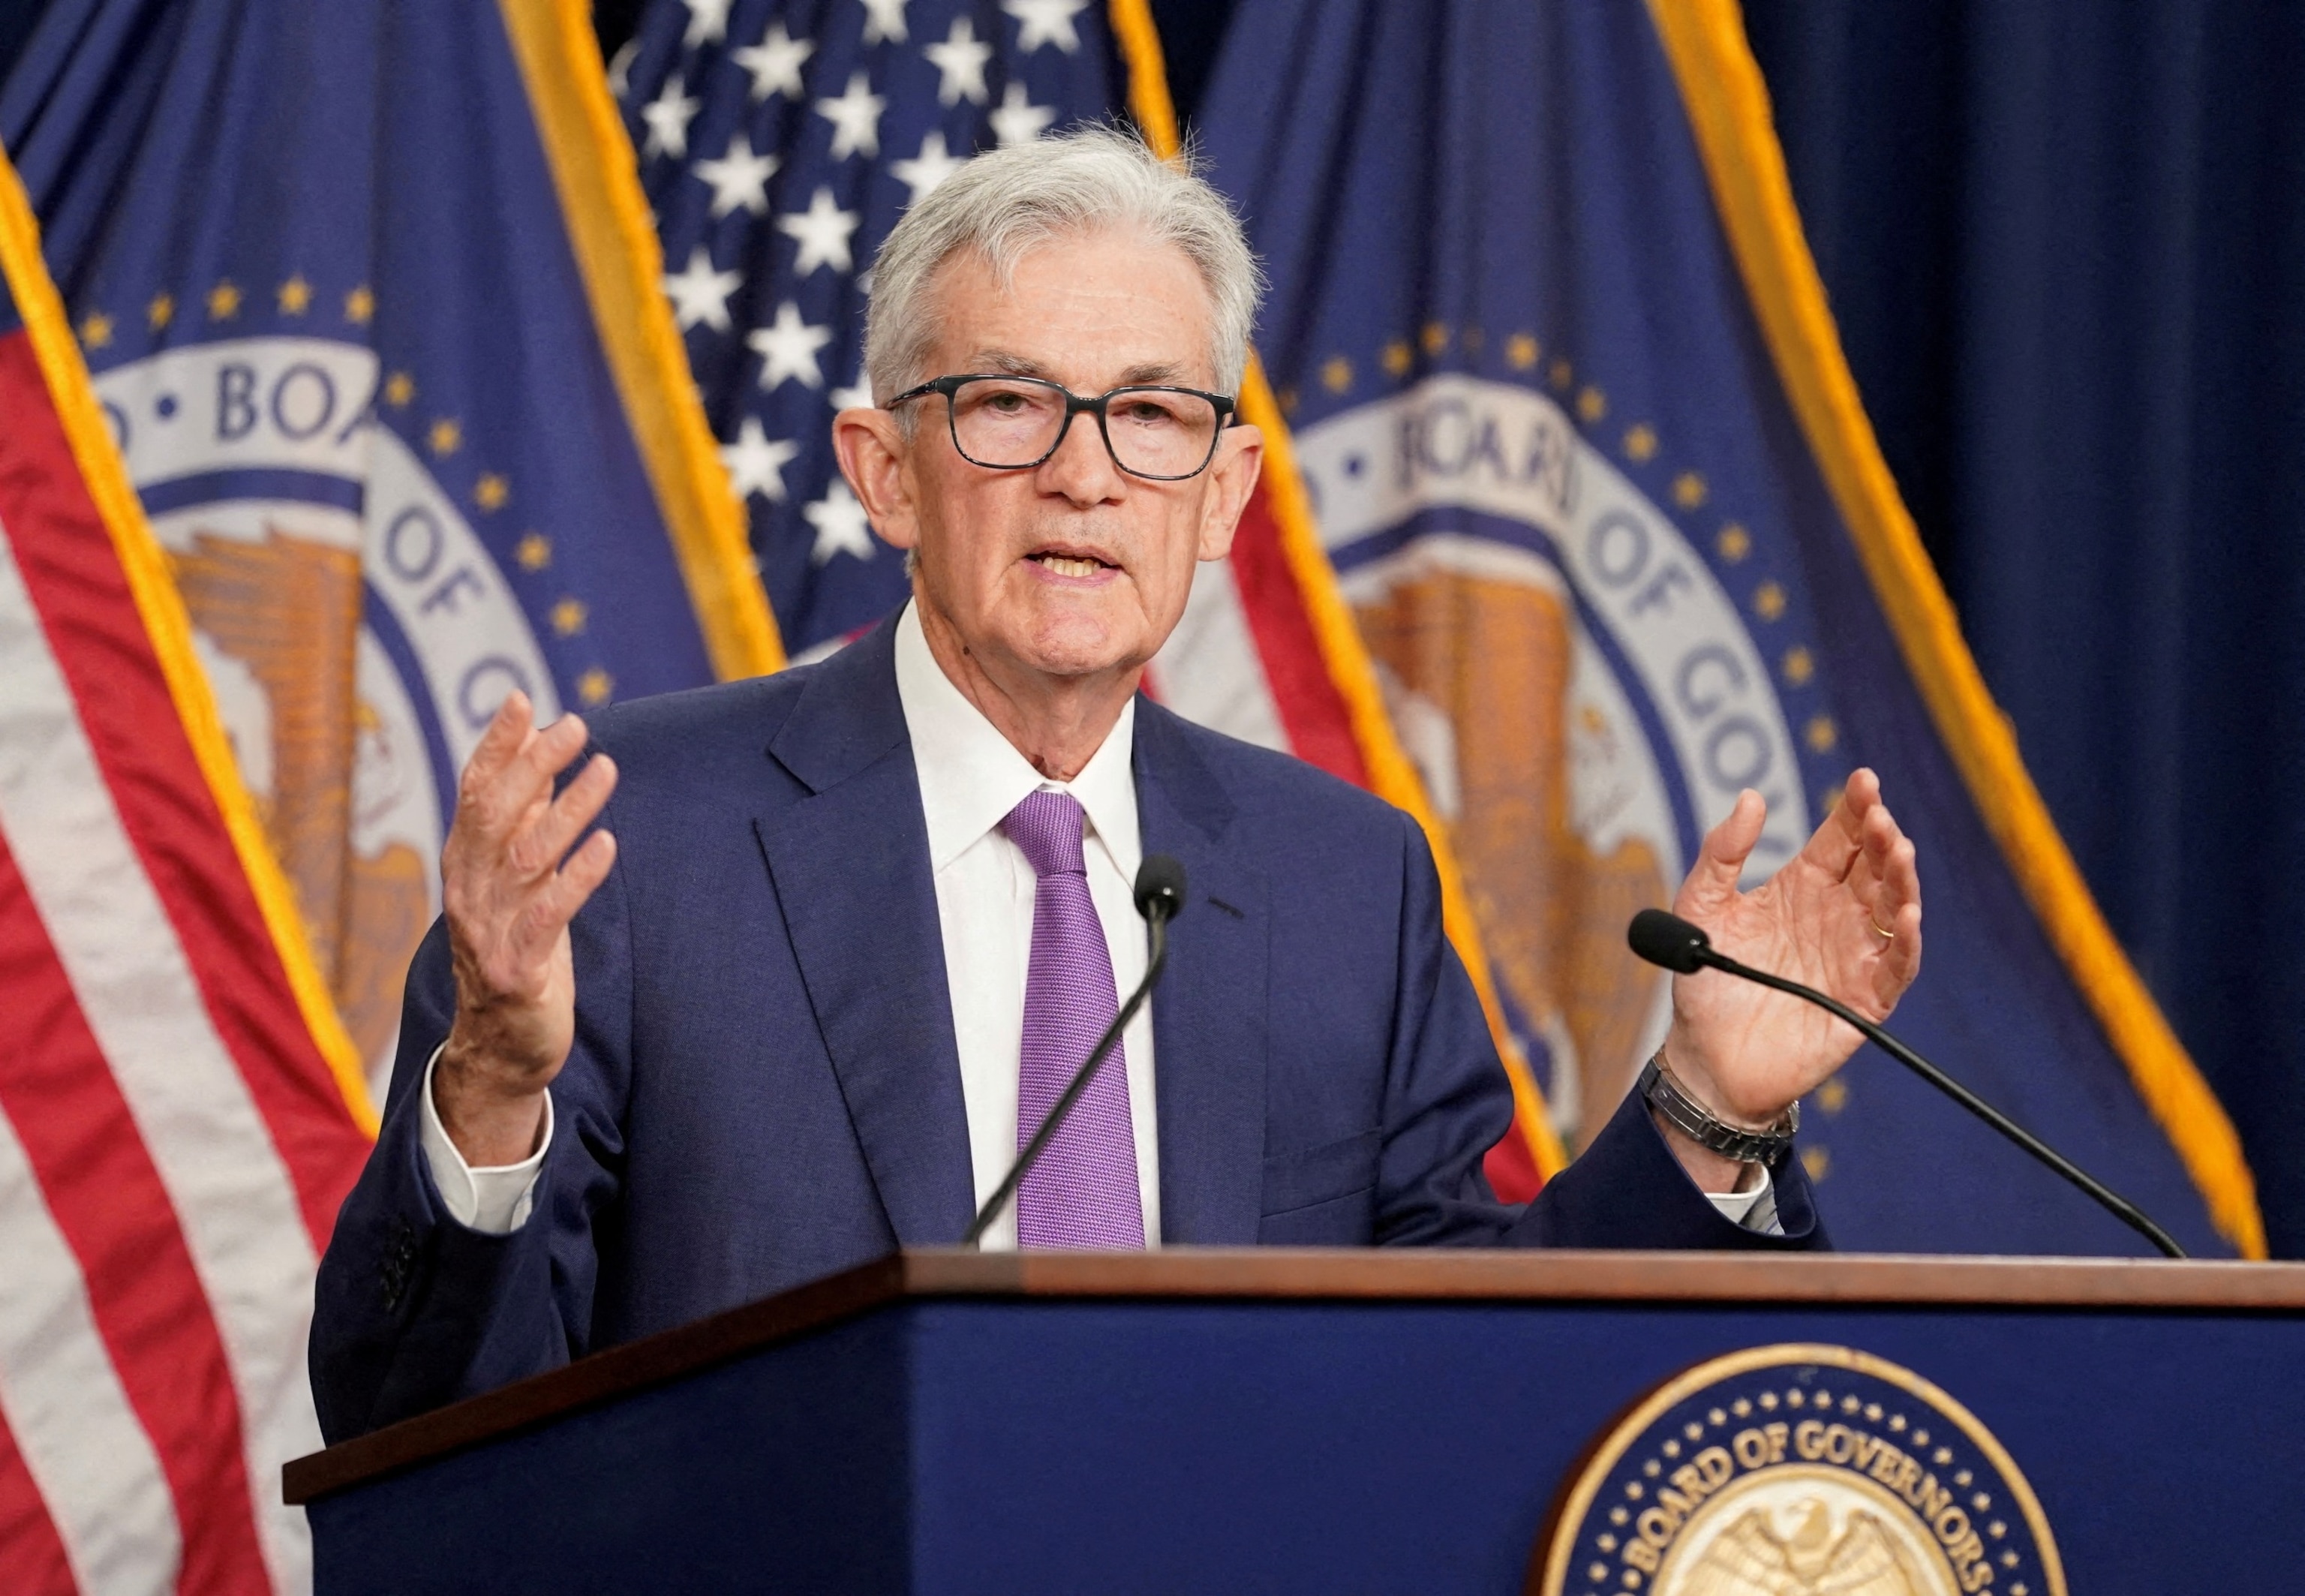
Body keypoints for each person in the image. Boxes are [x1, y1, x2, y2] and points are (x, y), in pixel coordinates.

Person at [311, 130, 1921, 1442]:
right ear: (883, 470)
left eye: (1152, 414)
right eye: (1010, 402)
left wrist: (1712, 1111)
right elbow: (409, 1422)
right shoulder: (635, 845)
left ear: (1223, 494)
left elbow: (1479, 1371)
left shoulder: (1345, 880)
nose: (1087, 472)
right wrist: (494, 1091)